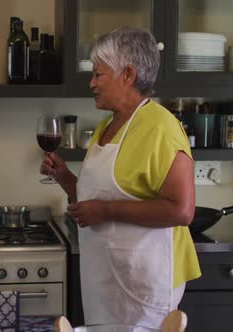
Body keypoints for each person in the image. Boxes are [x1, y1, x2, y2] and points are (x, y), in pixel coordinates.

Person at [40, 27, 201, 329]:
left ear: (127, 74)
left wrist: (107, 211)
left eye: (99, 74)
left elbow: (182, 210)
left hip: (144, 287)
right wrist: (63, 177)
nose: (92, 83)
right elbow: (94, 198)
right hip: (105, 283)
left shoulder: (162, 128)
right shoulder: (107, 126)